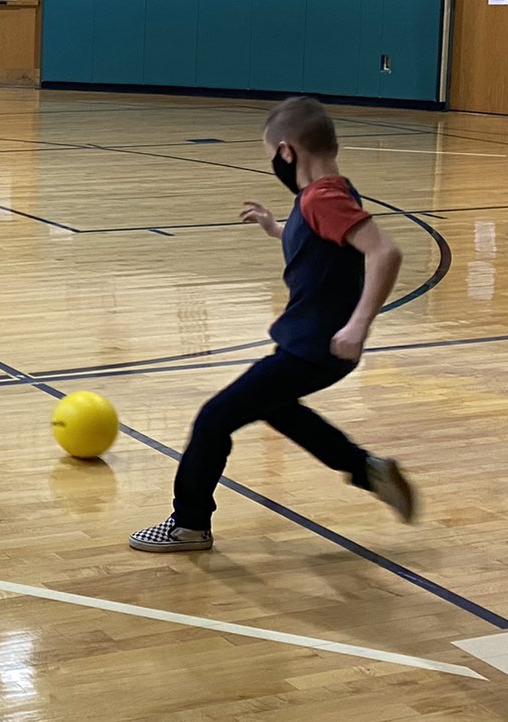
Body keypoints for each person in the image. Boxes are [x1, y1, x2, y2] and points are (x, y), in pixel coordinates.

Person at [129, 97, 416, 553]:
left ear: (286, 152)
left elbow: (386, 251)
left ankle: (189, 525)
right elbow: (323, 238)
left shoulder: (322, 196)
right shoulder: (326, 193)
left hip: (316, 346)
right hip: (316, 346)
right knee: (277, 407)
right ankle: (368, 471)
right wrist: (277, 228)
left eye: (271, 158)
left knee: (212, 421)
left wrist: (359, 325)